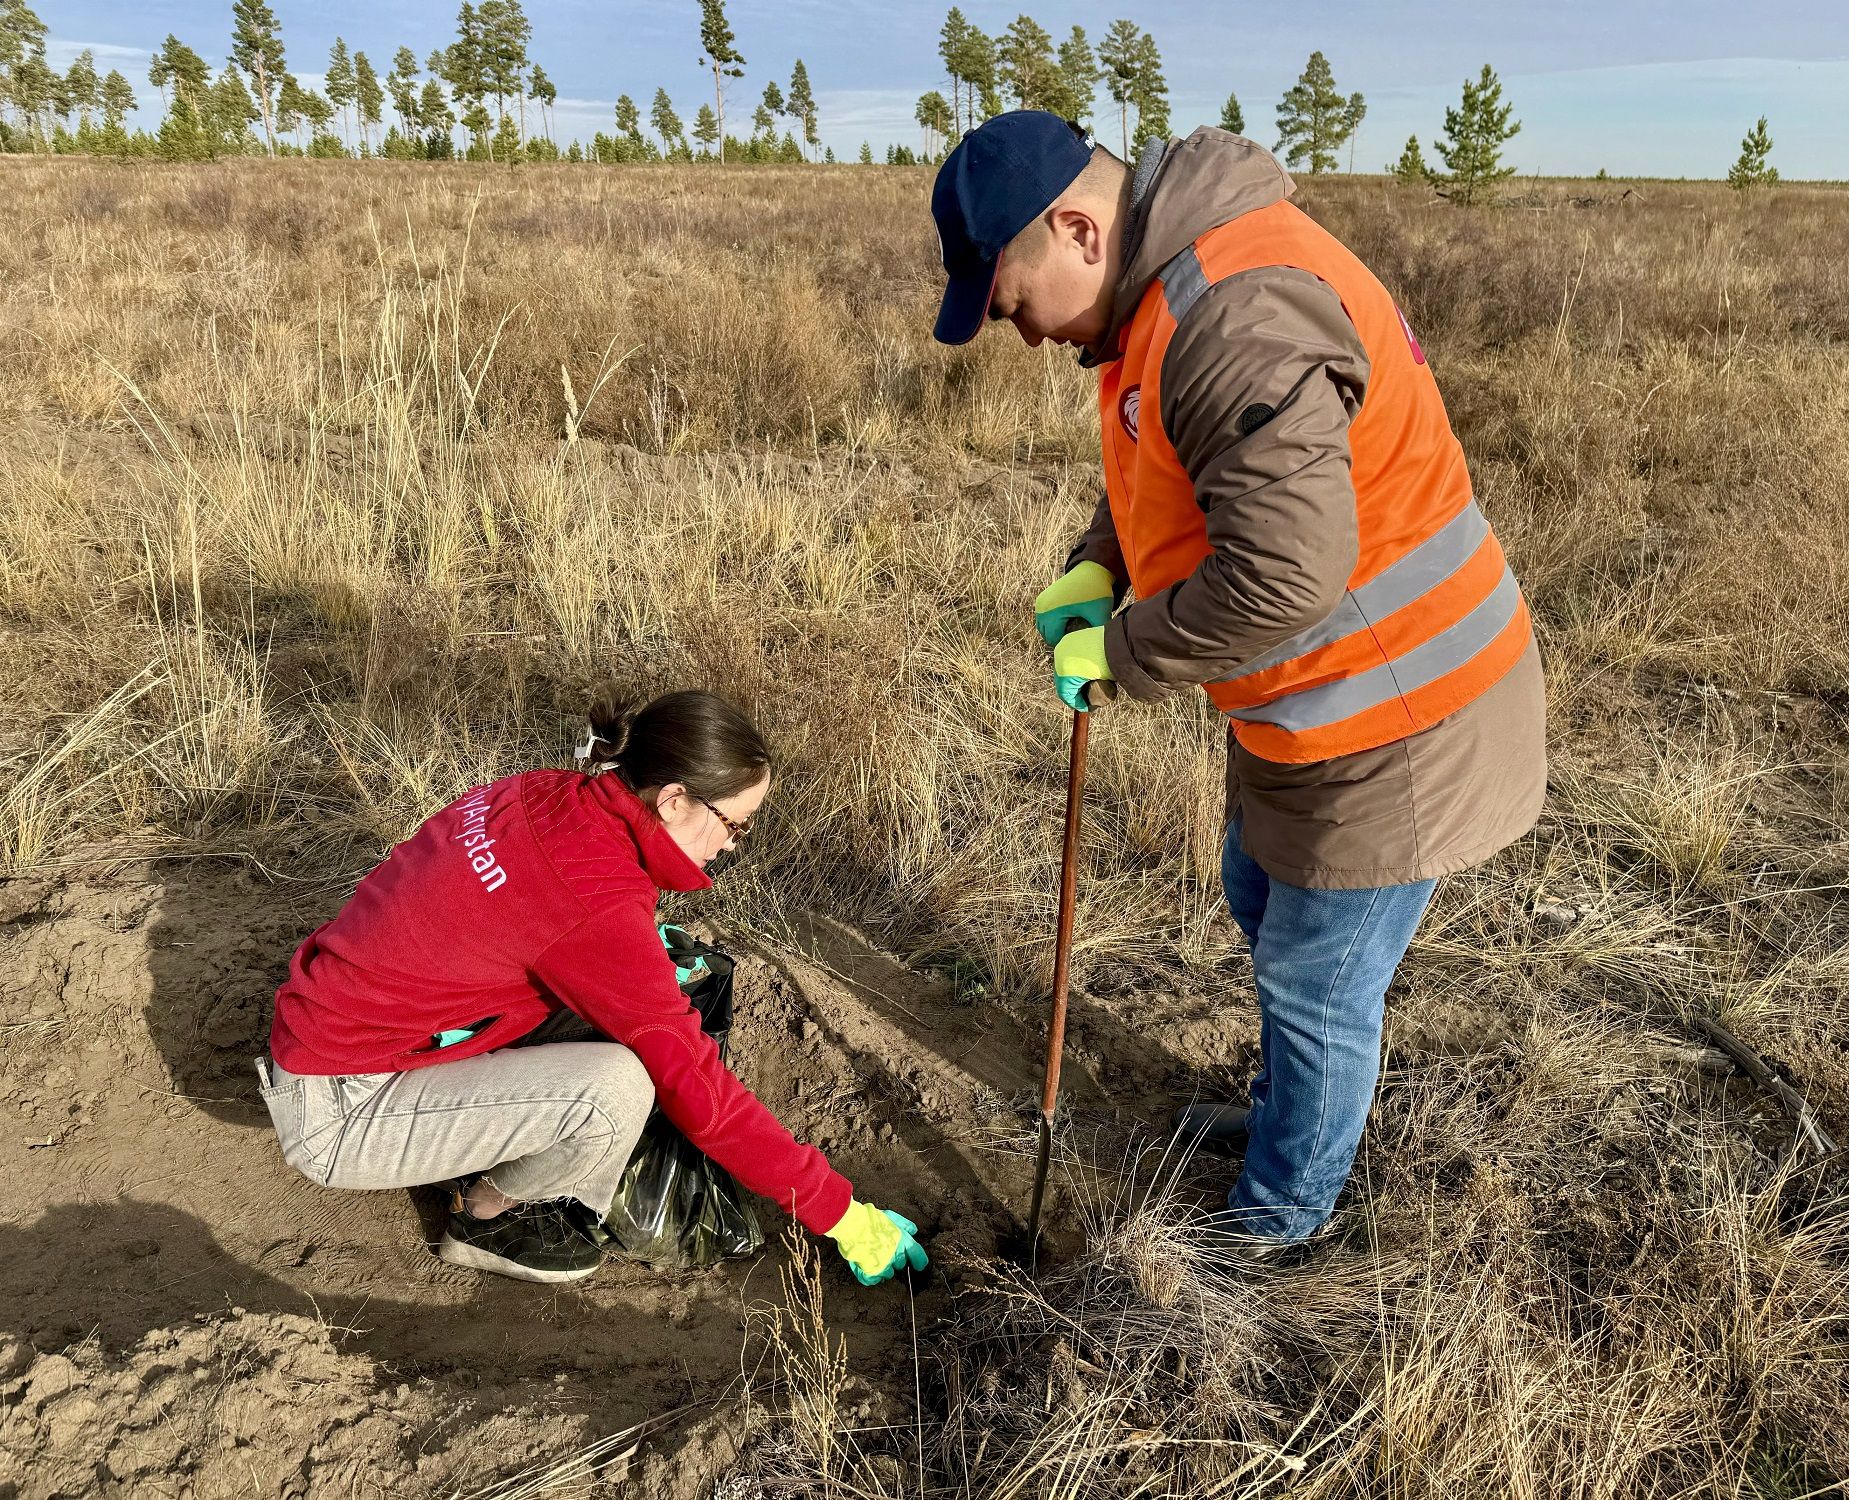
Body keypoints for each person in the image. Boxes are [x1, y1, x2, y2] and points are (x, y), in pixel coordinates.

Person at [929, 113, 1547, 1264]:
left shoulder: (1234, 314)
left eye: (1011, 300)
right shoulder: (1163, 292)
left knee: (1316, 982)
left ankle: (1275, 1223)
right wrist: (1099, 560)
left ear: (1074, 227)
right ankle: (1284, 1117)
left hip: (1400, 717)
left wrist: (1115, 654)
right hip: (1315, 709)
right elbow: (1180, 457)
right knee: (1259, 901)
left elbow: (1283, 572)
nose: (1017, 335)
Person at [258, 688, 926, 1287]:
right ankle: (485, 1213)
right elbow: (704, 1099)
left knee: (653, 993)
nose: (732, 847)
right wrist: (842, 1214)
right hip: (338, 1109)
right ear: (673, 800)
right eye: (736, 825)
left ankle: (488, 1143)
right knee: (618, 1093)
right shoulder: (593, 905)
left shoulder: (549, 793)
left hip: (330, 1016)